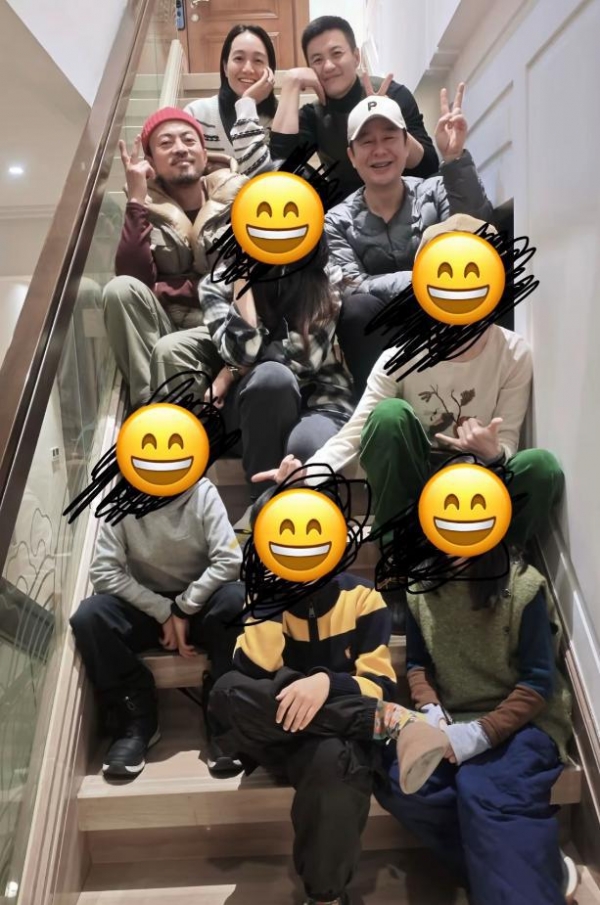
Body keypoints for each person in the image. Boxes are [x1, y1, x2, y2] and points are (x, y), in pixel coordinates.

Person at [254, 215, 564, 555]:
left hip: (478, 484)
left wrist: (492, 452)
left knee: (542, 467)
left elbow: (507, 443)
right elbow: (356, 431)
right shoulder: (398, 357)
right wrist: (308, 475)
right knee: (389, 414)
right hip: (416, 481)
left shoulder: (514, 353)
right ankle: (399, 554)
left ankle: (499, 557)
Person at [208, 491, 450, 905]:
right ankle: (393, 722)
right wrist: (270, 597)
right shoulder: (264, 599)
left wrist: (325, 684)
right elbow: (255, 669)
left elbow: (379, 683)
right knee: (226, 692)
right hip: (281, 732)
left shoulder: (363, 598)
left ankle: (325, 897)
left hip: (335, 741)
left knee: (334, 759)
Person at [373, 548, 578, 905]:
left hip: (527, 719)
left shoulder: (523, 586)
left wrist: (478, 735)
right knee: (399, 782)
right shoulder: (419, 586)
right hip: (454, 717)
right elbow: (418, 665)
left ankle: (523, 877)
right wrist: (432, 711)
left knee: (484, 788)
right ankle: (535, 868)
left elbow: (537, 682)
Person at [69, 478, 245, 777]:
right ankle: (136, 718)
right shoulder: (120, 500)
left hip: (201, 600)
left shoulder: (204, 492)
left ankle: (222, 714)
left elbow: (229, 561)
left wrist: (184, 607)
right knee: (90, 616)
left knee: (237, 601)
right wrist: (164, 611)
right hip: (147, 604)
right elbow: (103, 572)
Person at [327, 90, 495, 394]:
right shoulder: (337, 220)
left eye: (389, 137)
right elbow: (350, 284)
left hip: (443, 322)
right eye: (367, 142)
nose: (379, 150)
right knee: (356, 307)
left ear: (407, 146)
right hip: (380, 341)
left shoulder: (436, 190)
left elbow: (475, 234)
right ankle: (377, 408)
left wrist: (454, 160)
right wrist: (422, 280)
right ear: (351, 156)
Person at [103, 107, 247, 407]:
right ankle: (151, 409)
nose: (180, 148)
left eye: (188, 140)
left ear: (204, 154)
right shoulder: (145, 207)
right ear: (150, 161)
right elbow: (135, 280)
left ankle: (169, 417)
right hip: (168, 326)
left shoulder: (240, 197)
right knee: (119, 289)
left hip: (223, 327)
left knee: (170, 347)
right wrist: (136, 200)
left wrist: (167, 287)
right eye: (166, 143)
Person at [197, 238, 355, 507]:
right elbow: (239, 354)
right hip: (256, 405)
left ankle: (317, 527)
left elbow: (303, 359)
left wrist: (229, 373)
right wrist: (242, 281)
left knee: (303, 452)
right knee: (272, 379)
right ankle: (263, 511)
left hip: (321, 401)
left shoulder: (326, 276)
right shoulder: (215, 284)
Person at [270, 15, 438, 201]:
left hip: (405, 201)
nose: (328, 66)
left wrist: (388, 116)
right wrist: (291, 84)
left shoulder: (392, 94)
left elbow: (429, 167)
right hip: (347, 211)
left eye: (336, 54)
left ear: (356, 57)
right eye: (317, 60)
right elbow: (279, 165)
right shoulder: (313, 116)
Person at [185, 24, 277, 177]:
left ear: (270, 70)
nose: (248, 69)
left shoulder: (279, 119)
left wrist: (247, 103)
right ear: (225, 67)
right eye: (239, 58)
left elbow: (261, 177)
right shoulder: (196, 114)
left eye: (258, 60)